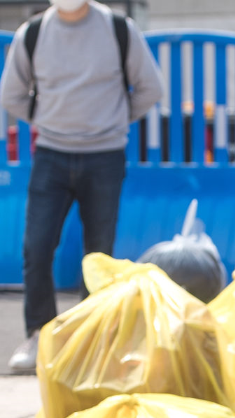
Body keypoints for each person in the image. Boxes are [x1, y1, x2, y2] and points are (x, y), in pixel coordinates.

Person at [0, 0, 163, 373]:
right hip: (51, 154)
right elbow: (10, 93)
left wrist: (113, 121)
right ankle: (39, 333)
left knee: (98, 255)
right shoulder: (34, 33)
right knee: (36, 247)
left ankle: (93, 338)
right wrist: (50, 120)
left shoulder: (119, 29)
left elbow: (150, 88)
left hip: (105, 155)